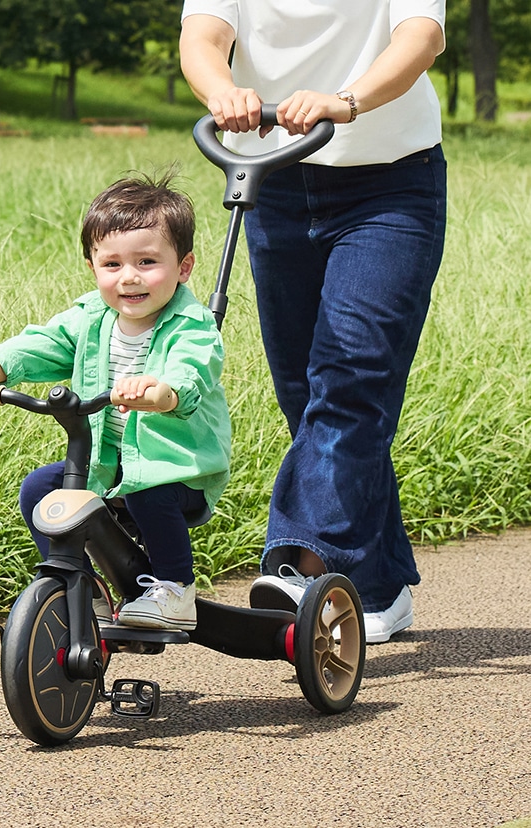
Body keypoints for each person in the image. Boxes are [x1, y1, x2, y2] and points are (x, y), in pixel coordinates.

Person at [179, 1, 447, 642]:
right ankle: (375, 586)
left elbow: (421, 37)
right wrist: (224, 93)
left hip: (390, 185)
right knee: (307, 394)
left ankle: (299, 566)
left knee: (351, 376)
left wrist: (345, 101)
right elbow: (204, 36)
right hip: (275, 178)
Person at [0, 173, 231, 631]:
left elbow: (190, 371)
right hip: (105, 463)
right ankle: (83, 587)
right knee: (41, 489)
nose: (130, 277)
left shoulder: (193, 325)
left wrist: (161, 393)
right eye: (112, 264)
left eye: (147, 261)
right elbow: (41, 344)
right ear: (92, 267)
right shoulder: (91, 318)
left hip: (178, 467)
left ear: (184, 267)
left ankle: (176, 590)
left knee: (150, 490)